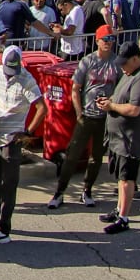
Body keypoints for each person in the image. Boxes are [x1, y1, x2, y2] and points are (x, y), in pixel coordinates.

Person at [48, 26, 122, 208]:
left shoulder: (116, 62)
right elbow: (75, 89)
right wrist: (79, 113)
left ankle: (87, 190)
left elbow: (120, 88)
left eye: (111, 39)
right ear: (97, 41)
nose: (109, 43)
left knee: (96, 156)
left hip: (105, 117)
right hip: (87, 115)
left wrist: (112, 103)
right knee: (72, 155)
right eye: (105, 39)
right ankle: (60, 192)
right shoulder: (87, 61)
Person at [0, 47, 43, 243]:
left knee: (9, 184)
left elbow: (42, 108)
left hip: (13, 138)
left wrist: (28, 133)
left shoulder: (27, 79)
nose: (10, 74)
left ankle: (4, 227)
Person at [98, 41, 140, 234]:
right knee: (119, 178)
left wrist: (111, 107)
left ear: (135, 59)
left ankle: (124, 218)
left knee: (126, 179)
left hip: (130, 139)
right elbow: (118, 96)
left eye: (125, 62)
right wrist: (109, 101)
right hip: (118, 138)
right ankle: (119, 209)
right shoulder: (128, 73)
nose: (122, 66)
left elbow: (134, 109)